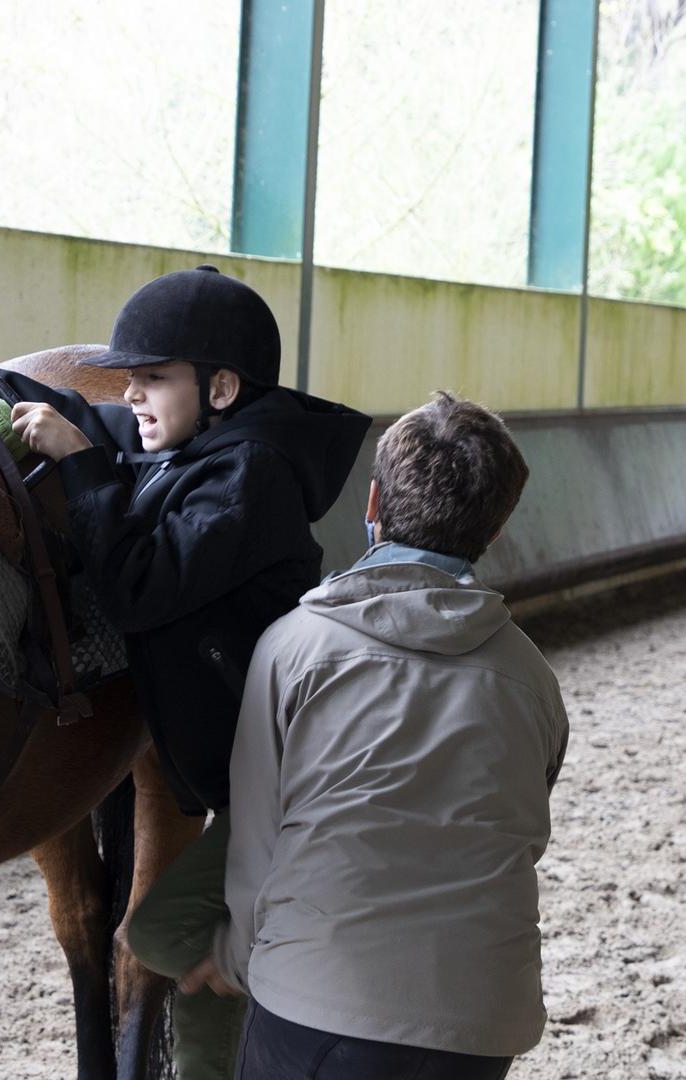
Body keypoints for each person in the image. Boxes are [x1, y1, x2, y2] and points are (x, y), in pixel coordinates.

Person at [0, 265, 370, 1078]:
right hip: (237, 771)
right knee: (168, 942)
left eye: (152, 379)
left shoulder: (250, 476)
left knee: (196, 957)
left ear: (221, 387)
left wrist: (83, 466)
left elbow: (140, 588)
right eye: (130, 379)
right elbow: (107, 425)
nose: (133, 396)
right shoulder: (206, 444)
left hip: (275, 779)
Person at [183, 391, 569, 1079]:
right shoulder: (530, 675)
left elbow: (257, 837)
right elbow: (522, 829)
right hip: (483, 1020)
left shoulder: (292, 647)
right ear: (498, 526)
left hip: (319, 1004)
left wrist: (237, 952)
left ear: (371, 505)